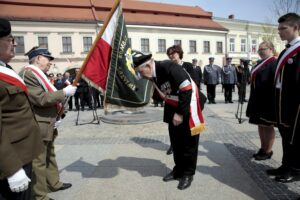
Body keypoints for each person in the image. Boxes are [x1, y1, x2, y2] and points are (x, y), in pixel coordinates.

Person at [132, 51, 204, 190]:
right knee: (176, 142)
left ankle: (188, 173)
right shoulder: (153, 75)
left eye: (140, 72)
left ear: (147, 66)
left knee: (189, 143)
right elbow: (162, 95)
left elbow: (186, 88)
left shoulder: (168, 66)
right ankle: (178, 170)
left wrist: (180, 113)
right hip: (173, 106)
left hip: (188, 106)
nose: (140, 76)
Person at [19, 46, 77, 200]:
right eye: (48, 59)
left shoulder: (38, 74)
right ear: (38, 58)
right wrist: (63, 92)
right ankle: (40, 195)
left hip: (47, 122)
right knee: (38, 160)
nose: (50, 62)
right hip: (38, 123)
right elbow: (40, 98)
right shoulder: (29, 74)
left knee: (49, 154)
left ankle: (53, 183)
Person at [0, 18, 43, 200]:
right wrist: (12, 168)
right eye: (10, 39)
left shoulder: (5, 68)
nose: (15, 43)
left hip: (21, 154)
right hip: (10, 162)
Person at [266, 13, 300, 183]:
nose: (279, 32)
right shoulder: (286, 50)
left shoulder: (298, 51)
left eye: (283, 28)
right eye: (278, 28)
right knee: (286, 137)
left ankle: (295, 170)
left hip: (295, 106)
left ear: (296, 28)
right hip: (282, 103)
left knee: (295, 139)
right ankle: (286, 166)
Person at [246, 41, 277, 161]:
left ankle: (268, 150)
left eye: (262, 49)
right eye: (258, 50)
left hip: (267, 100)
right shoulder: (260, 63)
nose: (259, 51)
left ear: (270, 49)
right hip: (257, 99)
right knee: (260, 125)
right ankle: (263, 148)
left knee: (267, 125)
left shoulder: (274, 62)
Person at [166, 45, 198, 155]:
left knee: (184, 126)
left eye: (173, 54)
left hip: (185, 101)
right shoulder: (168, 66)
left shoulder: (187, 66)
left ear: (179, 53)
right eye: (169, 55)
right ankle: (173, 145)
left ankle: (184, 146)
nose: (171, 57)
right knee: (172, 126)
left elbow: (193, 82)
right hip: (172, 101)